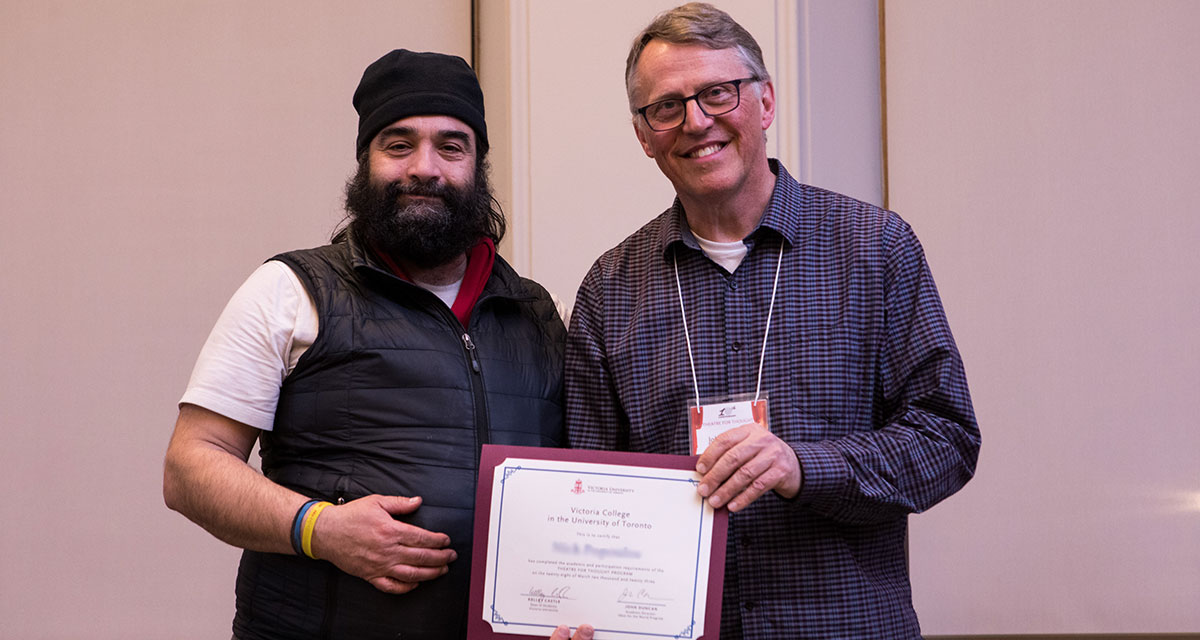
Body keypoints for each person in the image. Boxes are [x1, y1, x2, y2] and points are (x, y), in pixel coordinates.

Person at [565, 4, 981, 638]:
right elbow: (588, 487)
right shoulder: (609, 288)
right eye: (667, 107)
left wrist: (804, 467)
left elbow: (946, 441)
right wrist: (581, 603)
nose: (696, 121)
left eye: (717, 93)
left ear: (764, 103)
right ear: (644, 135)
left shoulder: (873, 248)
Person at [163, 49, 573, 640]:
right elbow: (190, 466)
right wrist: (318, 528)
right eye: (398, 145)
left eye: (451, 146)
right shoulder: (290, 290)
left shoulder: (538, 315)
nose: (424, 168)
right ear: (365, 163)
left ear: (479, 165)